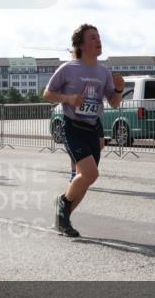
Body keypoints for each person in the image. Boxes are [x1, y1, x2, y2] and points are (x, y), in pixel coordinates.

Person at [43, 24, 124, 238]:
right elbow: (48, 93)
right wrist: (68, 99)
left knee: (86, 179)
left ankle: (63, 218)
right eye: (92, 38)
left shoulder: (103, 71)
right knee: (89, 174)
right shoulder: (69, 68)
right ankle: (63, 203)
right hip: (73, 127)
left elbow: (114, 103)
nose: (98, 41)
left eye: (99, 37)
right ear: (81, 45)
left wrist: (118, 89)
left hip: (92, 128)